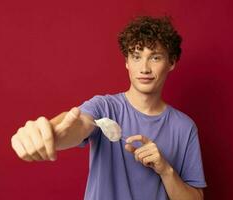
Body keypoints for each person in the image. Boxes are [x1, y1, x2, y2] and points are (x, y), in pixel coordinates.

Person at [11, 16, 207, 200]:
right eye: (136, 56)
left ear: (171, 62)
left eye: (155, 57)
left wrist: (165, 169)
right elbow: (79, 124)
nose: (144, 68)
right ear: (127, 62)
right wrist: (50, 132)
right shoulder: (104, 107)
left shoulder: (185, 127)